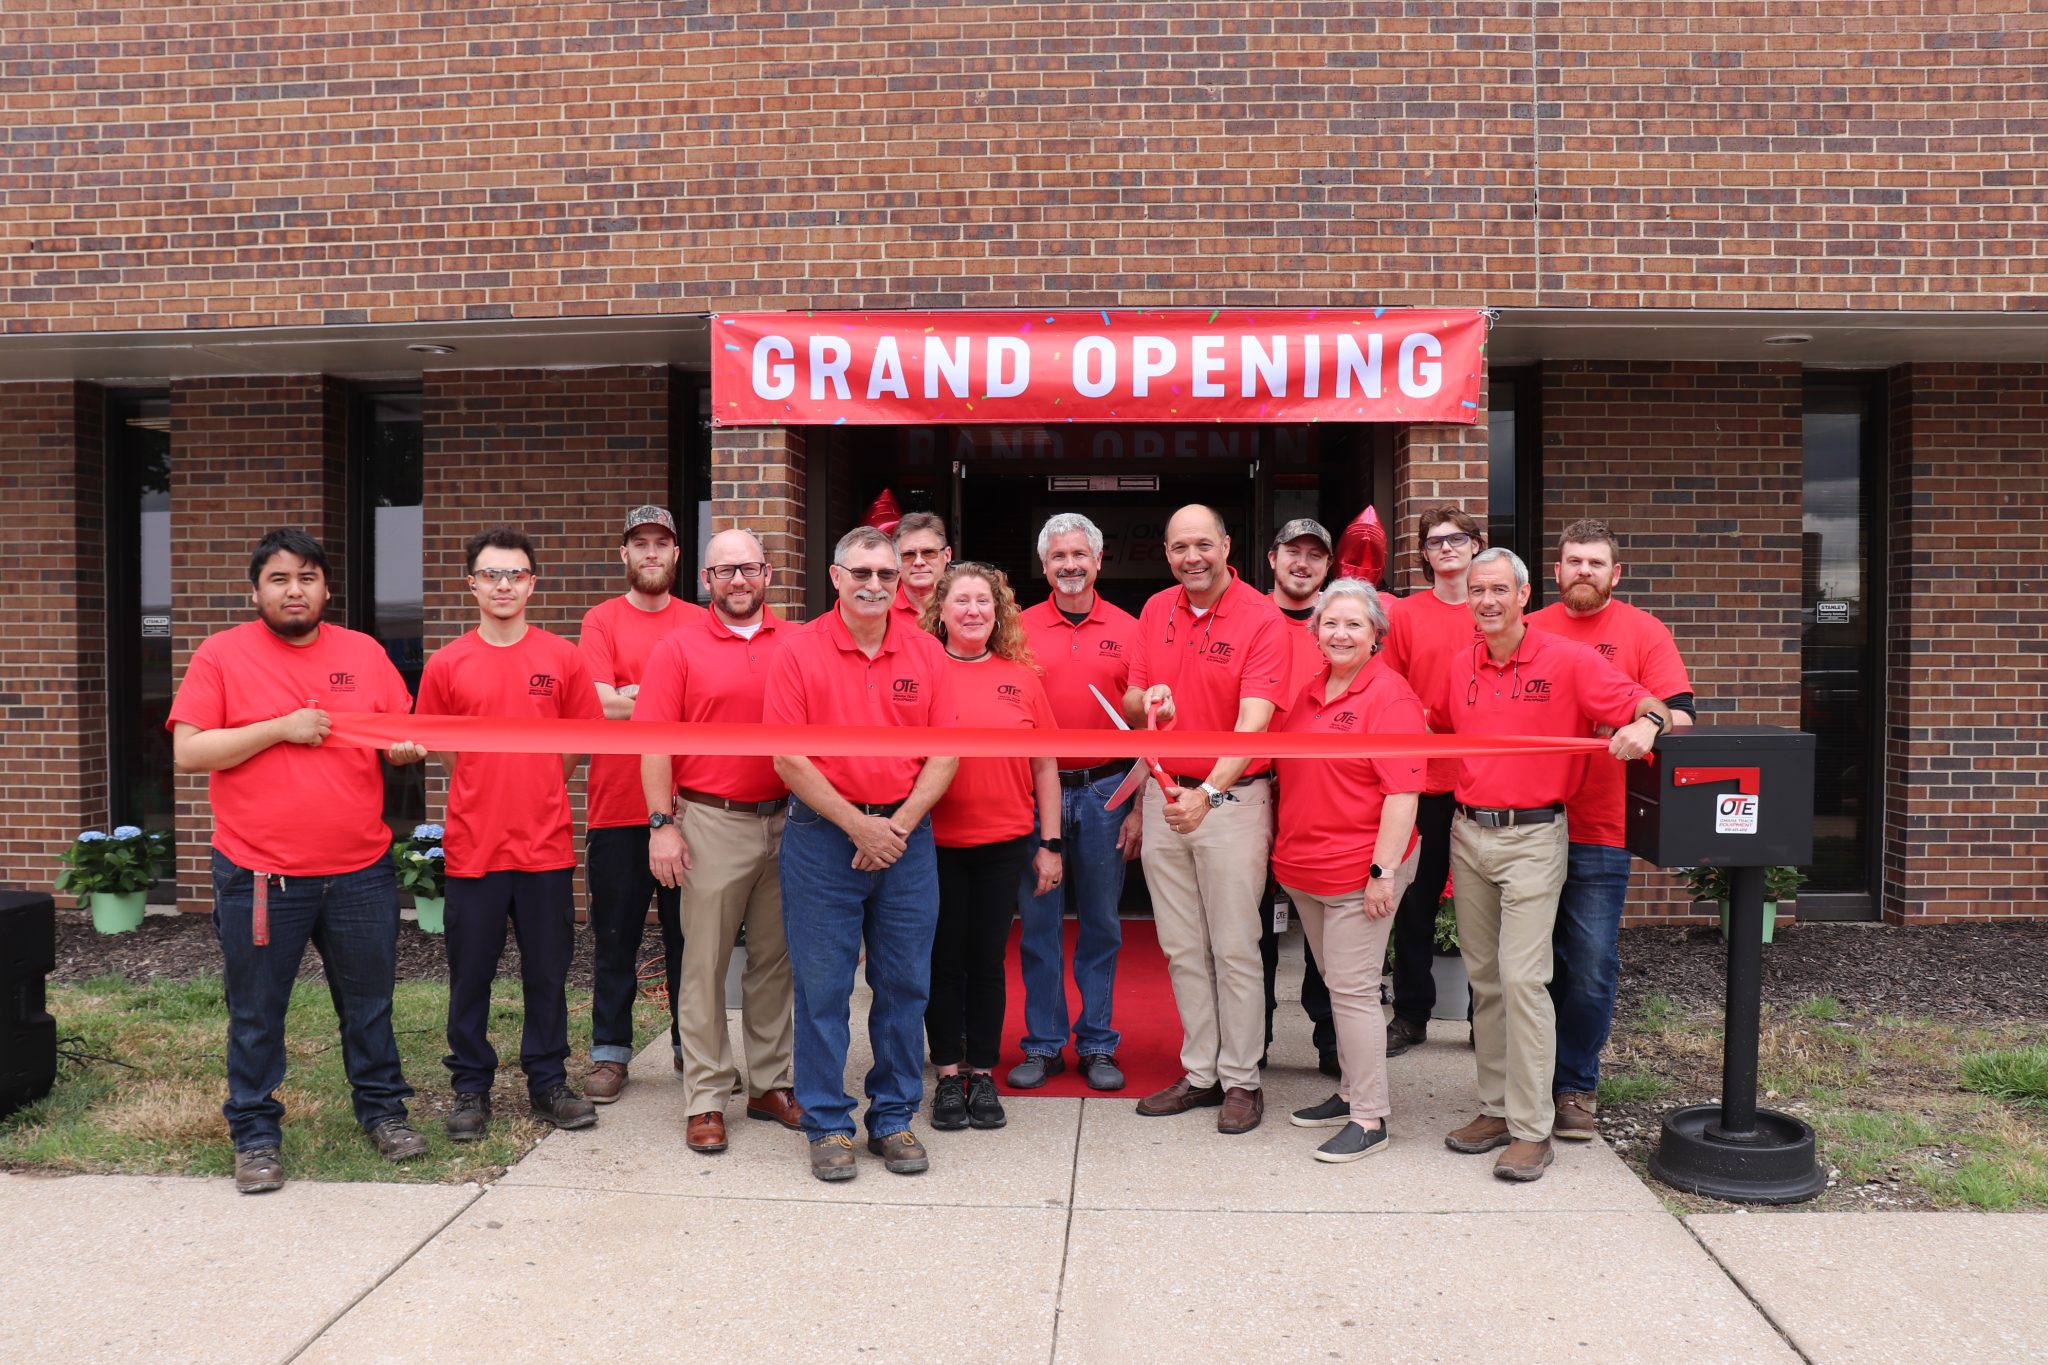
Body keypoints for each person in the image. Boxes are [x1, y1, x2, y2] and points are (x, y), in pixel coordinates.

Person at [169, 528, 431, 1194]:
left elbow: (398, 731)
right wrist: (283, 727)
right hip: (261, 871)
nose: (295, 590)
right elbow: (191, 751)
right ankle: (255, 1134)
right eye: (280, 578)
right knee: (258, 1010)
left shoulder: (364, 652)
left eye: (307, 577)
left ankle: (383, 1112)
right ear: (256, 589)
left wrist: (404, 748)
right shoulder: (221, 655)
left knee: (369, 1004)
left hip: (359, 871)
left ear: (326, 588)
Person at [1420, 548, 1669, 1182]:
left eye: (1499, 589)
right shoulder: (1459, 666)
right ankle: (1497, 1108)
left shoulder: (1569, 659)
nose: (1487, 601)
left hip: (1533, 837)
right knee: (1486, 980)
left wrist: (1646, 727)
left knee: (1523, 978)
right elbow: (1434, 726)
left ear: (1525, 595)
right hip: (1469, 832)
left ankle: (1533, 1130)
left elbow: (1653, 707)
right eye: (1477, 590)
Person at [764, 526, 959, 1182]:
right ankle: (827, 1121)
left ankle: (894, 1115)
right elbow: (788, 755)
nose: (876, 584)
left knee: (904, 984)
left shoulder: (927, 652)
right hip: (823, 840)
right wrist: (857, 826)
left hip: (906, 838)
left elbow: (947, 752)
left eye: (887, 574)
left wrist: (895, 826)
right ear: (836, 576)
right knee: (822, 987)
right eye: (863, 573)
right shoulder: (797, 652)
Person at [416, 526, 604, 1142]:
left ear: (532, 583)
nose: (504, 584)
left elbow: (580, 741)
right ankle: (471, 1088)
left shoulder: (563, 657)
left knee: (548, 973)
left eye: (516, 574)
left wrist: (541, 783)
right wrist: (485, 785)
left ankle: (548, 1081)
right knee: (469, 975)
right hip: (474, 848)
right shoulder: (447, 663)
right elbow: (444, 751)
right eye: (492, 574)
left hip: (545, 846)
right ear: (471, 584)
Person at [1528, 518, 1696, 1141]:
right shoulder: (1532, 629)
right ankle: (1523, 1083)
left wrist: (1649, 726)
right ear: (1557, 570)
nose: (1583, 572)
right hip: (1530, 823)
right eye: (1573, 562)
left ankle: (1575, 1084)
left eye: (1596, 564)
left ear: (1614, 573)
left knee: (1592, 964)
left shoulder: (1641, 631)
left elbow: (1679, 709)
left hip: (1600, 826)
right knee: (1527, 965)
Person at [1125, 504, 1292, 1135]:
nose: (1191, 558)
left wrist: (1209, 794)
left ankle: (1242, 1080)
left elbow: (1254, 724)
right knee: (1180, 947)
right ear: (1166, 553)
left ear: (1226, 546)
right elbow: (1133, 696)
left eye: (1203, 545)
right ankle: (1201, 1073)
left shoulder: (1261, 618)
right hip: (1165, 794)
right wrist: (1151, 700)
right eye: (1178, 548)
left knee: (1234, 946)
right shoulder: (1154, 610)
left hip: (1230, 800)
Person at [639, 529, 802, 1155]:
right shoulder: (678, 648)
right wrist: (662, 824)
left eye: (750, 569)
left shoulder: (798, 640)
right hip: (711, 819)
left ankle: (769, 1083)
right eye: (725, 571)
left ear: (767, 574)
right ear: (706, 580)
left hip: (791, 820)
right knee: (703, 964)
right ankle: (707, 1097)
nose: (739, 581)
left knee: (774, 961)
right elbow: (652, 741)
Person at [1272, 579, 1427, 1162]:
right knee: (1338, 984)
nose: (1339, 634)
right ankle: (1350, 1091)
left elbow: (1403, 793)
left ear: (1376, 636)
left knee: (1355, 990)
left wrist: (1384, 872)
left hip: (1360, 871)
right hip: (1305, 869)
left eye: (1353, 625)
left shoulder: (1391, 698)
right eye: (1329, 624)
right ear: (1314, 633)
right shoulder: (1310, 692)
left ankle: (1370, 1116)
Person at [919, 563, 1061, 1132]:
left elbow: (1045, 763)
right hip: (935, 846)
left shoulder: (1023, 677)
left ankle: (982, 1073)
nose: (974, 610)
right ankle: (947, 1076)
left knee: (987, 963)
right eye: (962, 601)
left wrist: (1049, 842)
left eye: (984, 601)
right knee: (942, 961)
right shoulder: (923, 671)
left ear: (998, 612)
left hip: (1004, 843)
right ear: (942, 612)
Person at [1010, 513, 1141, 1093]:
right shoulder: (1013, 628)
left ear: (1098, 559)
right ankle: (1042, 1043)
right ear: (1044, 566)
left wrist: (1136, 804)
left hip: (1105, 791)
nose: (1069, 565)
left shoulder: (1131, 629)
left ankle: (1096, 1043)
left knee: (1102, 924)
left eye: (1078, 555)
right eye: (1058, 557)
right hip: (1035, 792)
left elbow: (1147, 726)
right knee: (1037, 925)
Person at [578, 505, 703, 1102]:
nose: (651, 553)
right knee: (616, 937)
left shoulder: (699, 622)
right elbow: (598, 704)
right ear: (623, 554)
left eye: (662, 543)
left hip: (694, 808)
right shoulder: (600, 621)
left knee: (689, 942)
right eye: (640, 544)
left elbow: (706, 705)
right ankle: (610, 1053)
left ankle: (690, 1050)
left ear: (678, 554)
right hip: (617, 806)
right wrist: (667, 697)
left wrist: (635, 693)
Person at [1378, 506, 1486, 1055]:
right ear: (1423, 553)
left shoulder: (1493, 609)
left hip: (1482, 781)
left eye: (1458, 539)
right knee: (1416, 902)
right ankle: (1412, 1013)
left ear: (1475, 545)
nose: (1447, 548)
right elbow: (1388, 688)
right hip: (1420, 782)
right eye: (1436, 541)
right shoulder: (1405, 616)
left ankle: (1480, 1020)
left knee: (1478, 905)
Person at [1265, 516, 1339, 1075]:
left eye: (1315, 555)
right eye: (1293, 551)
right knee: (1251, 922)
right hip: (1251, 787)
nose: (1303, 562)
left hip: (1320, 797)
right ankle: (1253, 1038)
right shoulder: (1249, 618)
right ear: (1273, 558)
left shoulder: (1340, 625)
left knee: (1323, 922)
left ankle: (1331, 1039)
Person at [891, 511, 952, 629]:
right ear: (895, 559)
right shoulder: (882, 613)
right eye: (908, 554)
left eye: (928, 552)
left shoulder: (965, 610)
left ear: (947, 555)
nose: (918, 562)